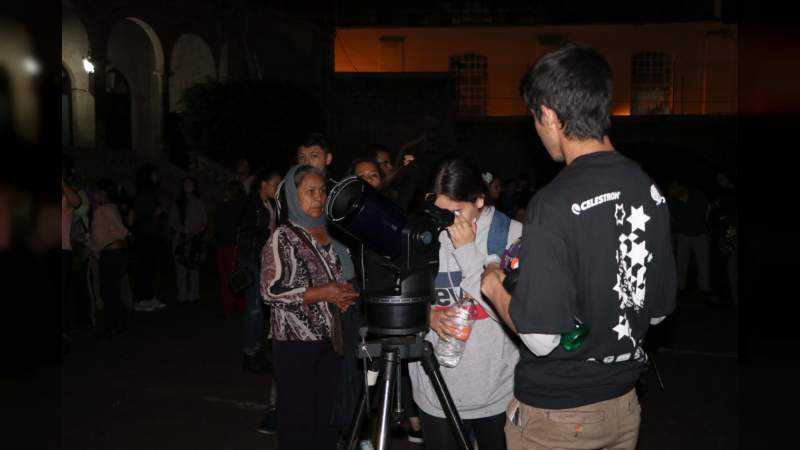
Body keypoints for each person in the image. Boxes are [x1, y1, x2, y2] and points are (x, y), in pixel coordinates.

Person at [480, 43, 676, 450]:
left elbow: (540, 337)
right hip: (623, 406)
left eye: (535, 118)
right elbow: (656, 314)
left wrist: (494, 286)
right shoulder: (648, 188)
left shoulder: (552, 203)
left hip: (558, 416)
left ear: (549, 115)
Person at [408, 157, 522, 450]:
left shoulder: (512, 236)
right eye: (442, 211)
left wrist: (468, 251)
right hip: (436, 387)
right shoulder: (423, 233)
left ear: (480, 200)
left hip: (496, 389)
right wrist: (427, 316)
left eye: (458, 211)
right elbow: (398, 296)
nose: (448, 222)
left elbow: (519, 316)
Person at [260, 165, 358, 450]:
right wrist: (323, 293)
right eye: (310, 192)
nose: (318, 198)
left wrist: (344, 293)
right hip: (295, 343)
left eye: (322, 191)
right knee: (298, 419)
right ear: (293, 195)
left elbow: (344, 277)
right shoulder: (283, 237)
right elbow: (270, 291)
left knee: (327, 415)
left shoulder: (333, 234)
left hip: (332, 339)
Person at [238, 169, 281, 373]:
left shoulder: (270, 204)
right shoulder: (253, 203)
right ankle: (249, 352)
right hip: (254, 260)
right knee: (254, 308)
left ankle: (256, 349)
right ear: (263, 184)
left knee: (261, 308)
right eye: (275, 184)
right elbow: (248, 233)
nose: (277, 188)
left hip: (265, 260)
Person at [89, 179, 131, 337]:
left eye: (96, 191)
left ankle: (113, 324)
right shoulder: (113, 207)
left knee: (108, 291)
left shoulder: (101, 211)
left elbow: (97, 237)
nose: (93, 194)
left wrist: (93, 248)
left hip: (110, 254)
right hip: (121, 253)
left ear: (102, 193)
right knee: (115, 289)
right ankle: (120, 322)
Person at [668, 179, 713, 302]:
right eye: (672, 189)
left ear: (681, 186)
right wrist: (676, 232)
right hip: (683, 236)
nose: (673, 190)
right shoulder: (673, 201)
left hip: (700, 235)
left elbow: (708, 207)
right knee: (681, 263)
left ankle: (704, 290)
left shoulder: (697, 194)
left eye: (675, 187)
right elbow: (671, 218)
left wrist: (705, 222)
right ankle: (679, 289)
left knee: (703, 264)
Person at [132, 163, 167, 312]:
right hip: (145, 235)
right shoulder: (143, 192)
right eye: (154, 173)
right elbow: (140, 214)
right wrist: (155, 212)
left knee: (151, 267)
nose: (157, 176)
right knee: (144, 267)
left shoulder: (151, 191)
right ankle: (141, 299)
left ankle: (149, 297)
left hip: (152, 234)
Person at [170, 176, 207, 304]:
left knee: (193, 268)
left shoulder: (199, 202)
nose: (187, 185)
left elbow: (204, 220)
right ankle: (182, 295)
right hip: (181, 239)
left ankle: (193, 295)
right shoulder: (177, 203)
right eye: (185, 183)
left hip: (194, 239)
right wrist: (181, 228)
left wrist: (196, 229)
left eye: (190, 183)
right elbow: (172, 221)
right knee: (180, 269)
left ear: (194, 186)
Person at [214, 180, 246, 319]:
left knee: (226, 277)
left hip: (224, 245)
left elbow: (217, 227)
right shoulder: (243, 207)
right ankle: (240, 306)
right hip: (237, 246)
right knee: (238, 276)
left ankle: (229, 308)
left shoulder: (223, 207)